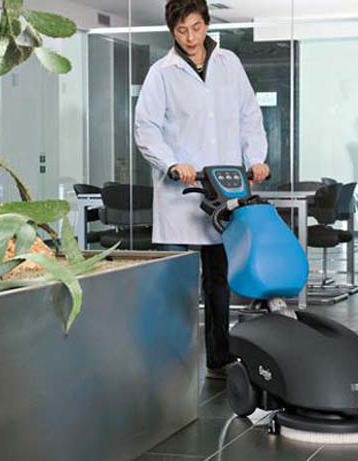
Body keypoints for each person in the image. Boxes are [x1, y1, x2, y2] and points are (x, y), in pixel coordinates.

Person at [134, 0, 269, 380]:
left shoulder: (230, 64)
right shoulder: (162, 73)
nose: (190, 37)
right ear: (172, 32)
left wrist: (256, 159)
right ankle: (167, 364)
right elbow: (146, 128)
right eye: (181, 30)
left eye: (196, 27)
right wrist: (171, 163)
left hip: (221, 192)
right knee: (173, 287)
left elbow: (249, 117)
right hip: (181, 193)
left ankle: (219, 359)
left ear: (207, 24)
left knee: (218, 283)